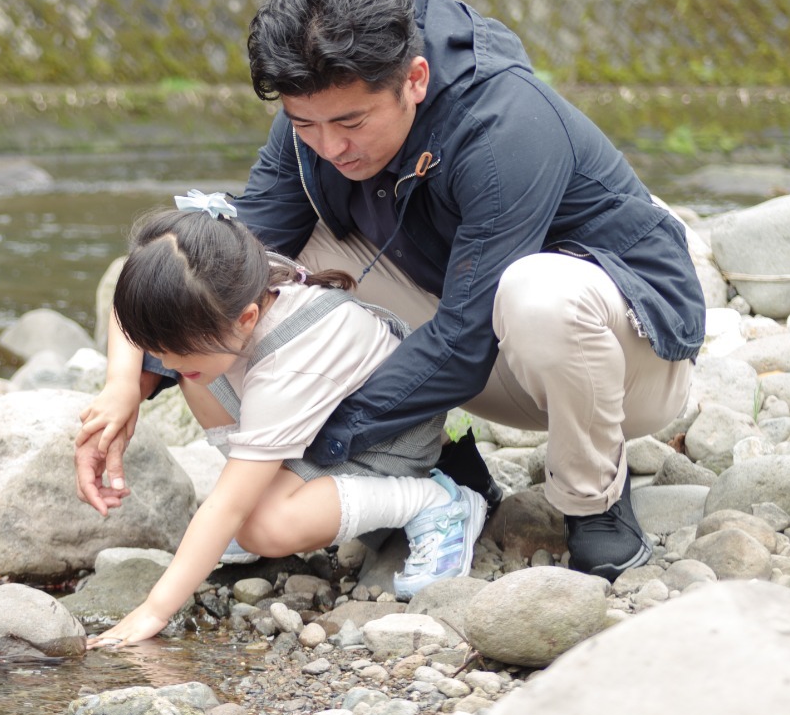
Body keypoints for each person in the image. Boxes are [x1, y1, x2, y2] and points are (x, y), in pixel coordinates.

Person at [83, 0, 706, 581]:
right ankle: (443, 468)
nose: (330, 146)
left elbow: (464, 339)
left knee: (538, 293)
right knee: (258, 264)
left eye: (352, 123)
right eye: (306, 125)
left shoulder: (504, 128)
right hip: (471, 322)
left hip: (623, 356)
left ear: (414, 79)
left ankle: (592, 501)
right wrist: (129, 382)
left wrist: (310, 452)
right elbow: (217, 271)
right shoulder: (317, 117)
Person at [78, 192, 489, 648]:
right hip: (322, 426)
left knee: (259, 526)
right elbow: (127, 294)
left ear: (247, 318)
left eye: (179, 350)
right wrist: (121, 385)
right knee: (198, 376)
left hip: (380, 448)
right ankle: (268, 483)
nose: (164, 361)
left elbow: (227, 506)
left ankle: (432, 501)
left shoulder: (289, 364)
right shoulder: (230, 279)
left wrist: (154, 610)